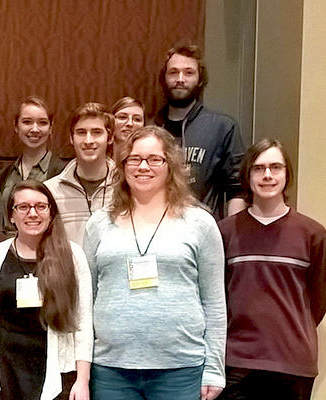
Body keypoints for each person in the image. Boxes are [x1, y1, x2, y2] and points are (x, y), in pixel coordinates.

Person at [83, 126, 226, 400]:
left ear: (170, 165)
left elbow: (215, 303)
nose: (143, 167)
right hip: (111, 369)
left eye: (154, 159)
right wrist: (84, 368)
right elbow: (87, 300)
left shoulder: (200, 223)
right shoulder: (99, 224)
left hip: (180, 368)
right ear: (123, 167)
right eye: (134, 159)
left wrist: (214, 368)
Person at [217, 139, 325, 400]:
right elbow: (216, 297)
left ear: (287, 174)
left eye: (275, 167)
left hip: (292, 363)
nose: (267, 175)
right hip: (237, 362)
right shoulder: (225, 232)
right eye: (258, 168)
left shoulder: (313, 234)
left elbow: (318, 301)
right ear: (247, 175)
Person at [0, 180, 91, 400]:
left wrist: (82, 379)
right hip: (6, 371)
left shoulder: (72, 255)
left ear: (51, 212)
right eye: (23, 207)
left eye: (41, 206)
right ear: (11, 215)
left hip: (56, 374)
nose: (33, 213)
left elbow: (84, 321)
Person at [154, 43, 245, 219]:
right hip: (155, 231)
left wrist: (232, 236)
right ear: (163, 79)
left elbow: (237, 190)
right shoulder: (151, 130)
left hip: (204, 232)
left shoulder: (222, 127)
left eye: (189, 72)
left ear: (200, 79)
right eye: (173, 72)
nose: (180, 79)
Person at [44, 103, 118, 245]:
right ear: (72, 138)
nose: (88, 140)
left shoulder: (126, 187)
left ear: (110, 138)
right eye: (81, 132)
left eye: (97, 132)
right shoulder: (50, 191)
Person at [0, 96, 67, 230]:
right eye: (27, 122)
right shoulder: (2, 177)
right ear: (16, 126)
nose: (35, 129)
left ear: (51, 128)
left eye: (42, 123)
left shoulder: (64, 172)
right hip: (7, 247)